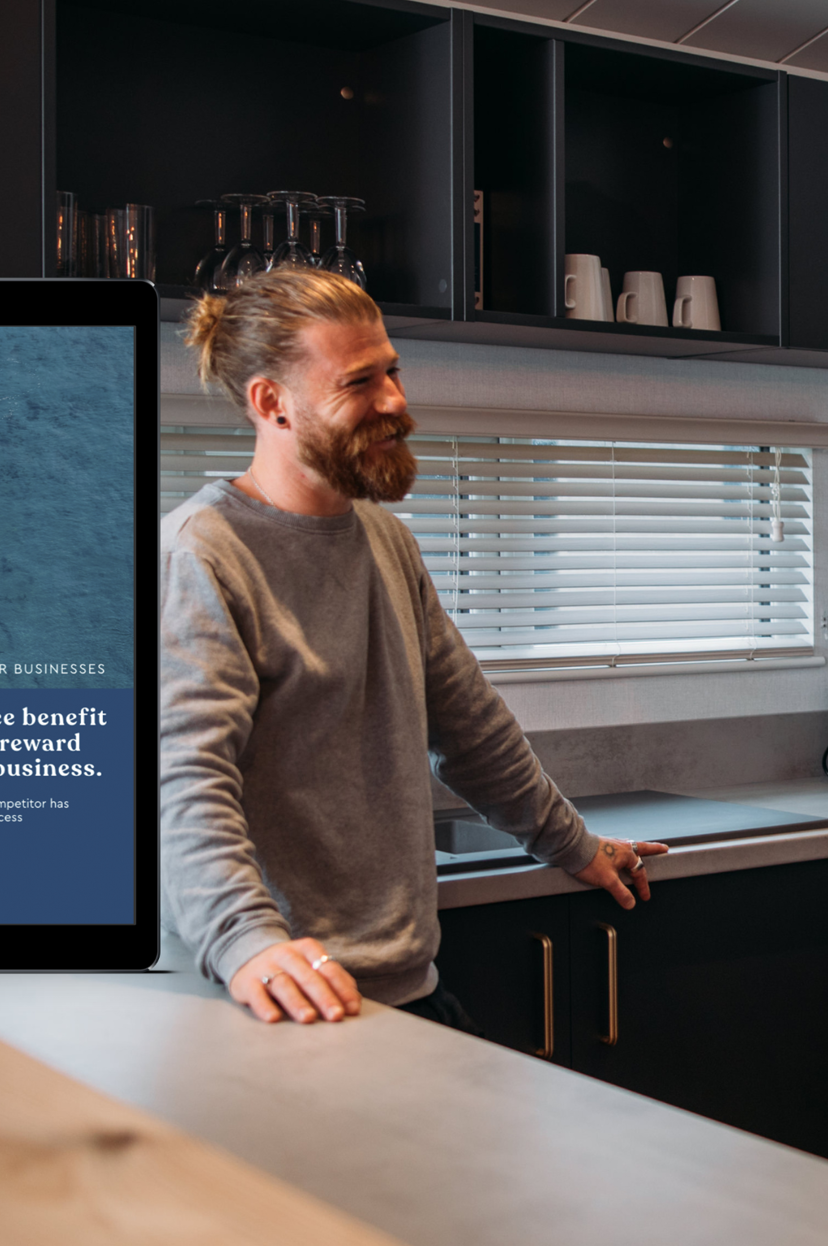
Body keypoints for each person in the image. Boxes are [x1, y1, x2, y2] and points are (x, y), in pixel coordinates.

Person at [160, 267, 666, 1027]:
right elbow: (183, 781)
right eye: (359, 382)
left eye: (392, 370)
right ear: (272, 403)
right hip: (276, 1001)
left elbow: (469, 726)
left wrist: (574, 845)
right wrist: (244, 942)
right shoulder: (202, 555)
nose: (395, 401)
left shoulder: (384, 540)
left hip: (403, 984)